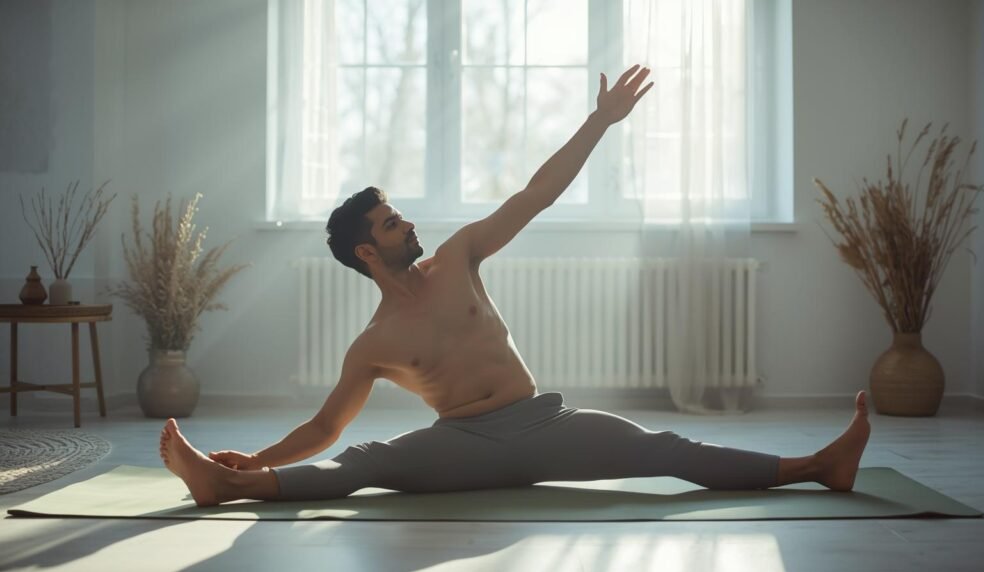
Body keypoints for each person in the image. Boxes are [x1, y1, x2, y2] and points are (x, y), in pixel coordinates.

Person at [159, 65, 870, 507]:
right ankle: (229, 483)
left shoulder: (458, 257)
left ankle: (820, 465)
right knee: (361, 464)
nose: (408, 222)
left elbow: (535, 194)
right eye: (392, 222)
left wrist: (600, 120)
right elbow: (325, 429)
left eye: (400, 213)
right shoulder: (373, 344)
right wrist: (258, 457)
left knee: (668, 449)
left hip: (545, 423)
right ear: (366, 251)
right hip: (462, 442)